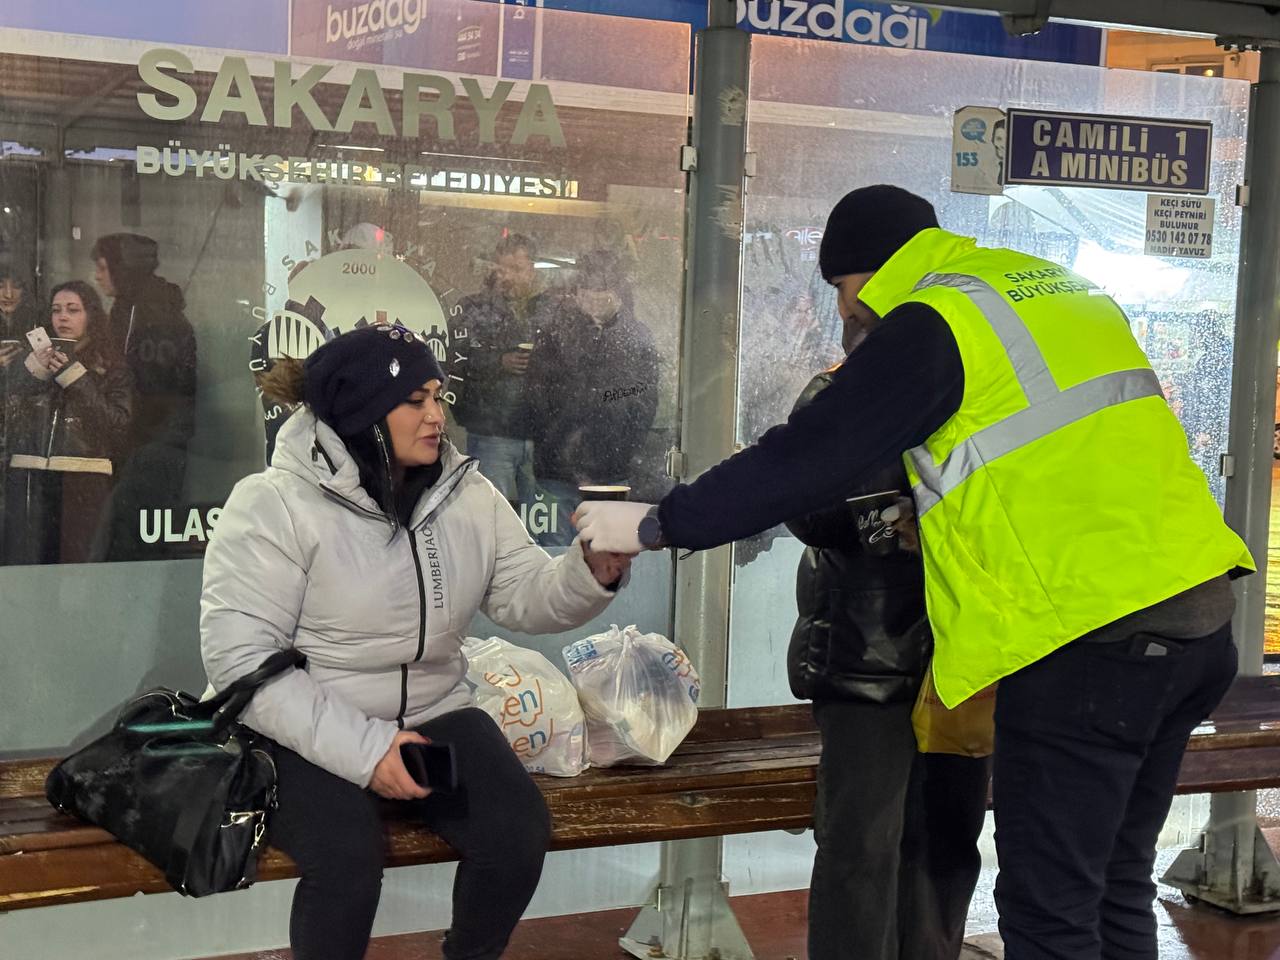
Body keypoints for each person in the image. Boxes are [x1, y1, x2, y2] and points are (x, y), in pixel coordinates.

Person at [574, 185, 1251, 960]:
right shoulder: (1043, 288)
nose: (841, 310)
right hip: (1196, 618)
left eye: (839, 287)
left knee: (1051, 912)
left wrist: (660, 522)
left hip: (1091, 641)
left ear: (868, 270)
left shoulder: (935, 322)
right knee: (1114, 886)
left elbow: (810, 454)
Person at [200, 322, 631, 960]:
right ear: (363, 414)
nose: (436, 417)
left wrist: (592, 570)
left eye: (439, 396)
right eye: (415, 401)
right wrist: (370, 751)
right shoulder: (272, 504)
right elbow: (244, 667)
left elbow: (523, 593)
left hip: (432, 715)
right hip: (297, 732)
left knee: (515, 833)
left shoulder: (466, 494)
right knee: (348, 860)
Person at [788, 361, 988, 960]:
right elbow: (808, 510)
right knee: (863, 850)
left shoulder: (982, 392)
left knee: (947, 842)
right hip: (866, 660)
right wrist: (904, 514)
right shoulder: (837, 391)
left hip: (965, 654)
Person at [524, 250, 659, 546]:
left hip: (610, 471)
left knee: (605, 561)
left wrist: (620, 452)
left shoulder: (636, 337)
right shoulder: (555, 334)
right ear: (577, 293)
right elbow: (536, 395)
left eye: (603, 290)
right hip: (556, 470)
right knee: (554, 559)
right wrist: (556, 444)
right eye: (587, 290)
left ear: (618, 293)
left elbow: (644, 403)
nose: (594, 298)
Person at [4, 281, 133, 564]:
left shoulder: (109, 364)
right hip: (31, 477)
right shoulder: (33, 359)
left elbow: (118, 424)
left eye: (73, 310)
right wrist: (30, 372)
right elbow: (9, 416)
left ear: (91, 315)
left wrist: (76, 377)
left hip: (84, 478)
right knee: (28, 567)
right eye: (56, 310)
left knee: (78, 567)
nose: (62, 317)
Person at [91, 233, 198, 559]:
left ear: (122, 269)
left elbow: (154, 388)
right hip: (147, 446)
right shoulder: (133, 310)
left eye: (102, 266)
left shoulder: (150, 316)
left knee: (131, 543)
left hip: (149, 448)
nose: (96, 275)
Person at [451, 234, 546, 508]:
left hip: (541, 432)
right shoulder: (474, 308)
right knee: (495, 516)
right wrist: (498, 362)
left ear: (532, 270)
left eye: (516, 269)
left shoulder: (549, 308)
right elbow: (456, 360)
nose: (508, 276)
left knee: (540, 522)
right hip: (492, 431)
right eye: (502, 268)